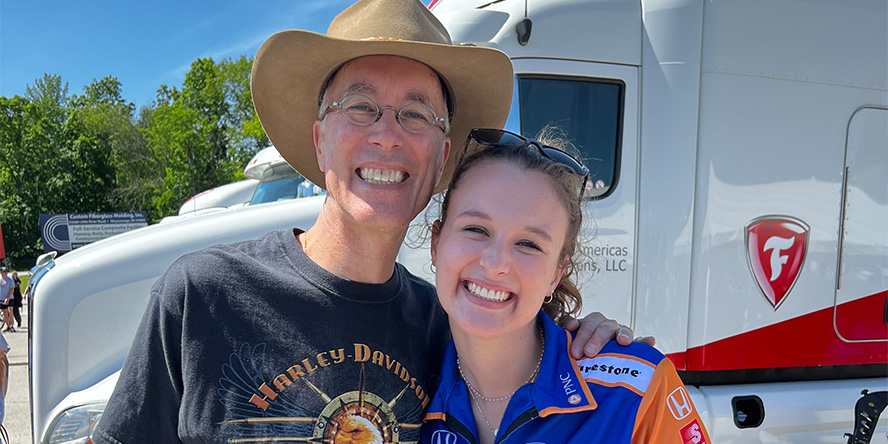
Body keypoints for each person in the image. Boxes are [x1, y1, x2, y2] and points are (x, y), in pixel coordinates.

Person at [93, 1, 645, 442]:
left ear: (443, 152)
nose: (387, 133)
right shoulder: (201, 295)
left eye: (415, 113)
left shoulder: (447, 327)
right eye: (360, 107)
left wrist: (591, 342)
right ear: (320, 140)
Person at [422, 129, 711, 443]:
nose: (494, 263)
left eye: (528, 244)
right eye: (476, 229)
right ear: (437, 243)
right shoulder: (406, 386)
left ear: (557, 274)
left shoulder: (636, 391)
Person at [0, 269, 12, 333]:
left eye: (6, 271)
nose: (5, 272)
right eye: (4, 271)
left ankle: (10, 325)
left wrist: (8, 297)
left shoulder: (10, 280)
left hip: (9, 298)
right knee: (5, 312)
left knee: (10, 311)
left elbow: (12, 289)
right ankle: (8, 325)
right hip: (1, 298)